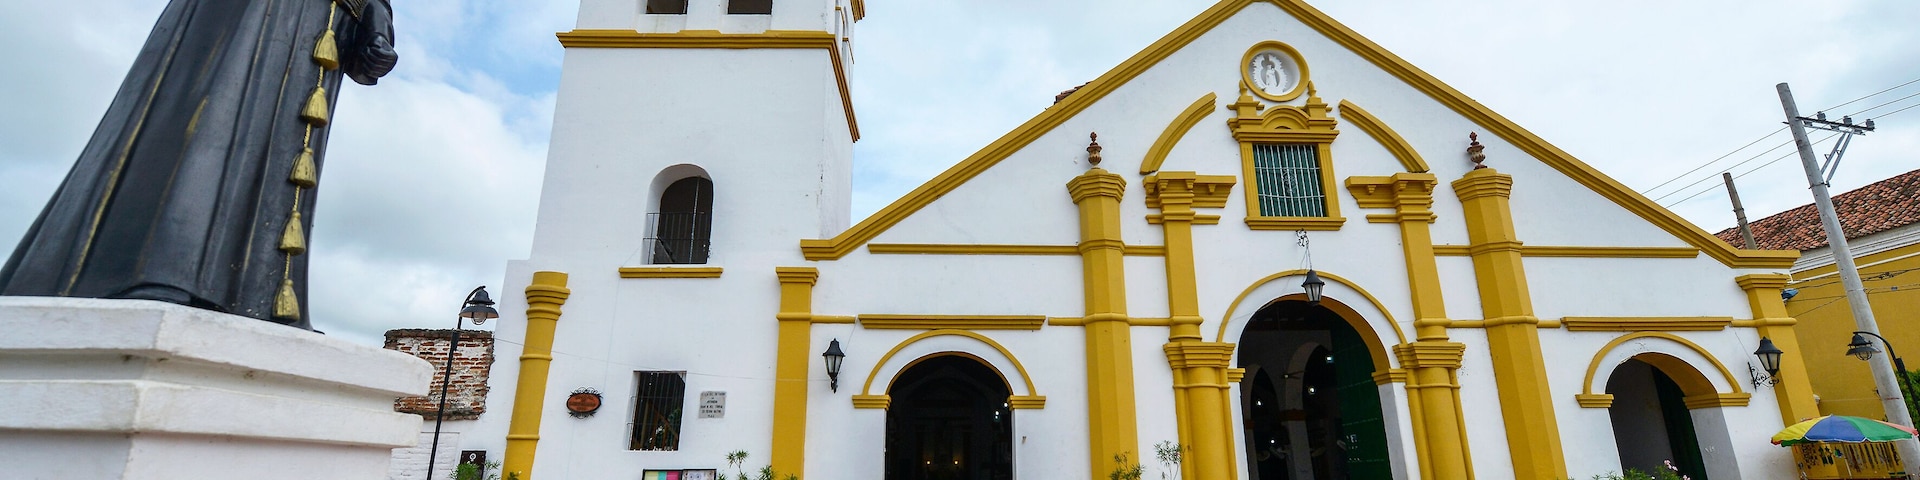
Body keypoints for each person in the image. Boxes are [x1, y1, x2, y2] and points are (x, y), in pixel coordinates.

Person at [0, 0, 398, 330]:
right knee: (204, 124)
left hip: (316, 36)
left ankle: (259, 299)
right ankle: (159, 270)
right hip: (246, 16)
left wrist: (375, 32)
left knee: (277, 164)